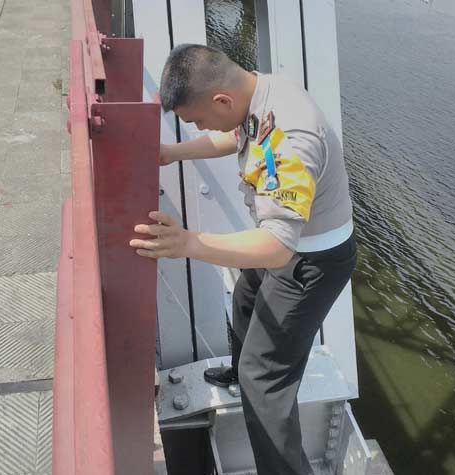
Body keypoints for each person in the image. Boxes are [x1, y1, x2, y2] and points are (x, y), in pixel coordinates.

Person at [129, 44, 357, 475]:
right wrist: (170, 153)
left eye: (196, 119)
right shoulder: (258, 92)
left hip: (311, 263)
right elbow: (233, 135)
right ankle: (237, 372)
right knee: (246, 301)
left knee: (264, 381)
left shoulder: (290, 139)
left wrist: (188, 243)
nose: (198, 127)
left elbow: (276, 248)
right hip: (290, 244)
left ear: (221, 100)